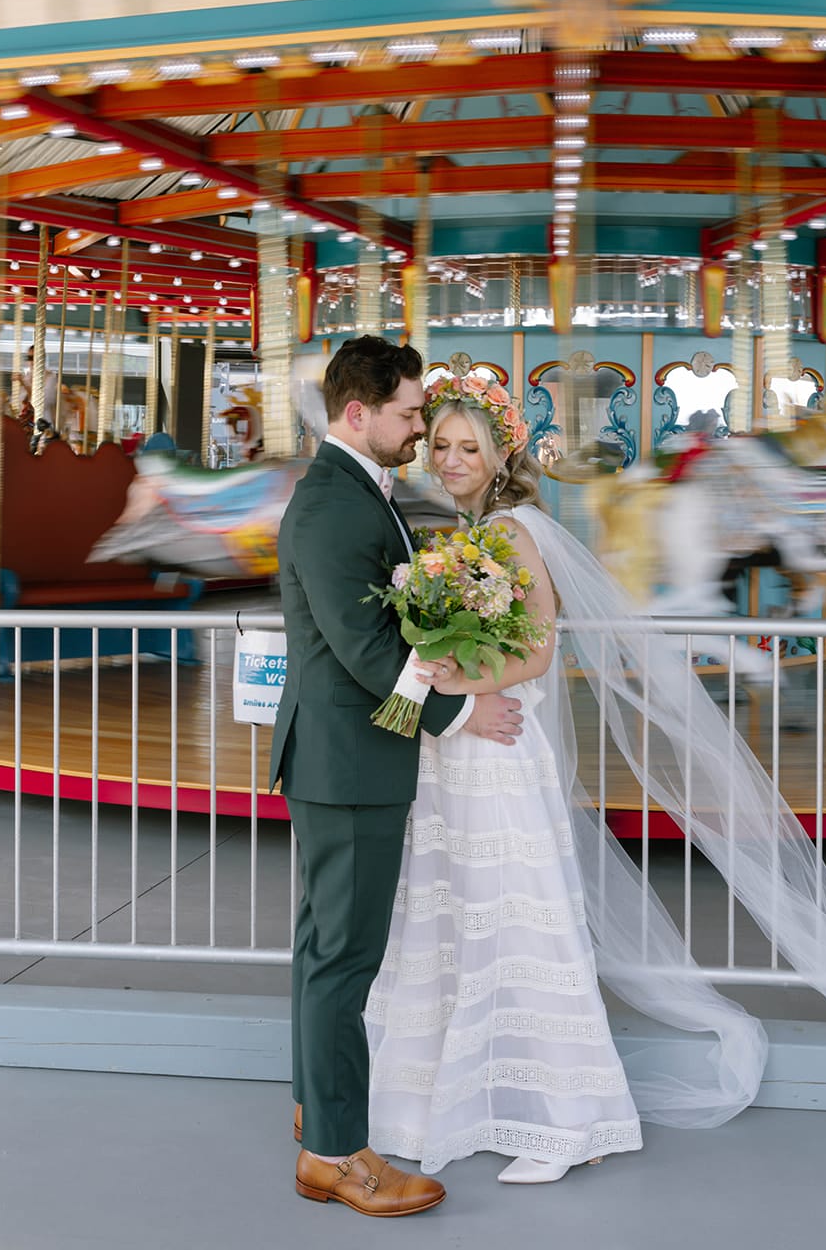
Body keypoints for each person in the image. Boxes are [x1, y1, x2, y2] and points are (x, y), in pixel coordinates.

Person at [366, 370, 826, 1184]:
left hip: (497, 748)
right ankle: (443, 1100)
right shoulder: (464, 535)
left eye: (470, 446)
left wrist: (442, 680)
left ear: (501, 456)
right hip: (458, 755)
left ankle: (571, 1119)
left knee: (521, 922)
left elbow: (535, 648)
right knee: (457, 918)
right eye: (442, 446)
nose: (452, 459)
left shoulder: (511, 530)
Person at [270, 336, 525, 1218]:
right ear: (357, 413)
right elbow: (368, 649)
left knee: (324, 954)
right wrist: (463, 712)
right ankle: (339, 1156)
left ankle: (317, 1117)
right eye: (411, 414)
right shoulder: (335, 506)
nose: (420, 430)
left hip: (343, 759)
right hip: (348, 763)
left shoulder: (353, 491)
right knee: (345, 960)